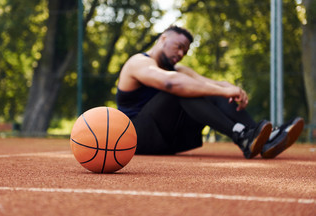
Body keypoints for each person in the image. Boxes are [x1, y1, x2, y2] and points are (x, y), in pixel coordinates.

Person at [116, 25, 304, 159]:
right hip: (138, 139)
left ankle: (258, 137)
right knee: (182, 89)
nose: (181, 54)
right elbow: (171, 83)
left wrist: (230, 89)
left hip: (169, 140)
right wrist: (221, 90)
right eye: (179, 47)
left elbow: (212, 84)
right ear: (163, 39)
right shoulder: (138, 63)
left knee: (204, 89)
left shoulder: (178, 69)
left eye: (185, 51)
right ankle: (240, 135)